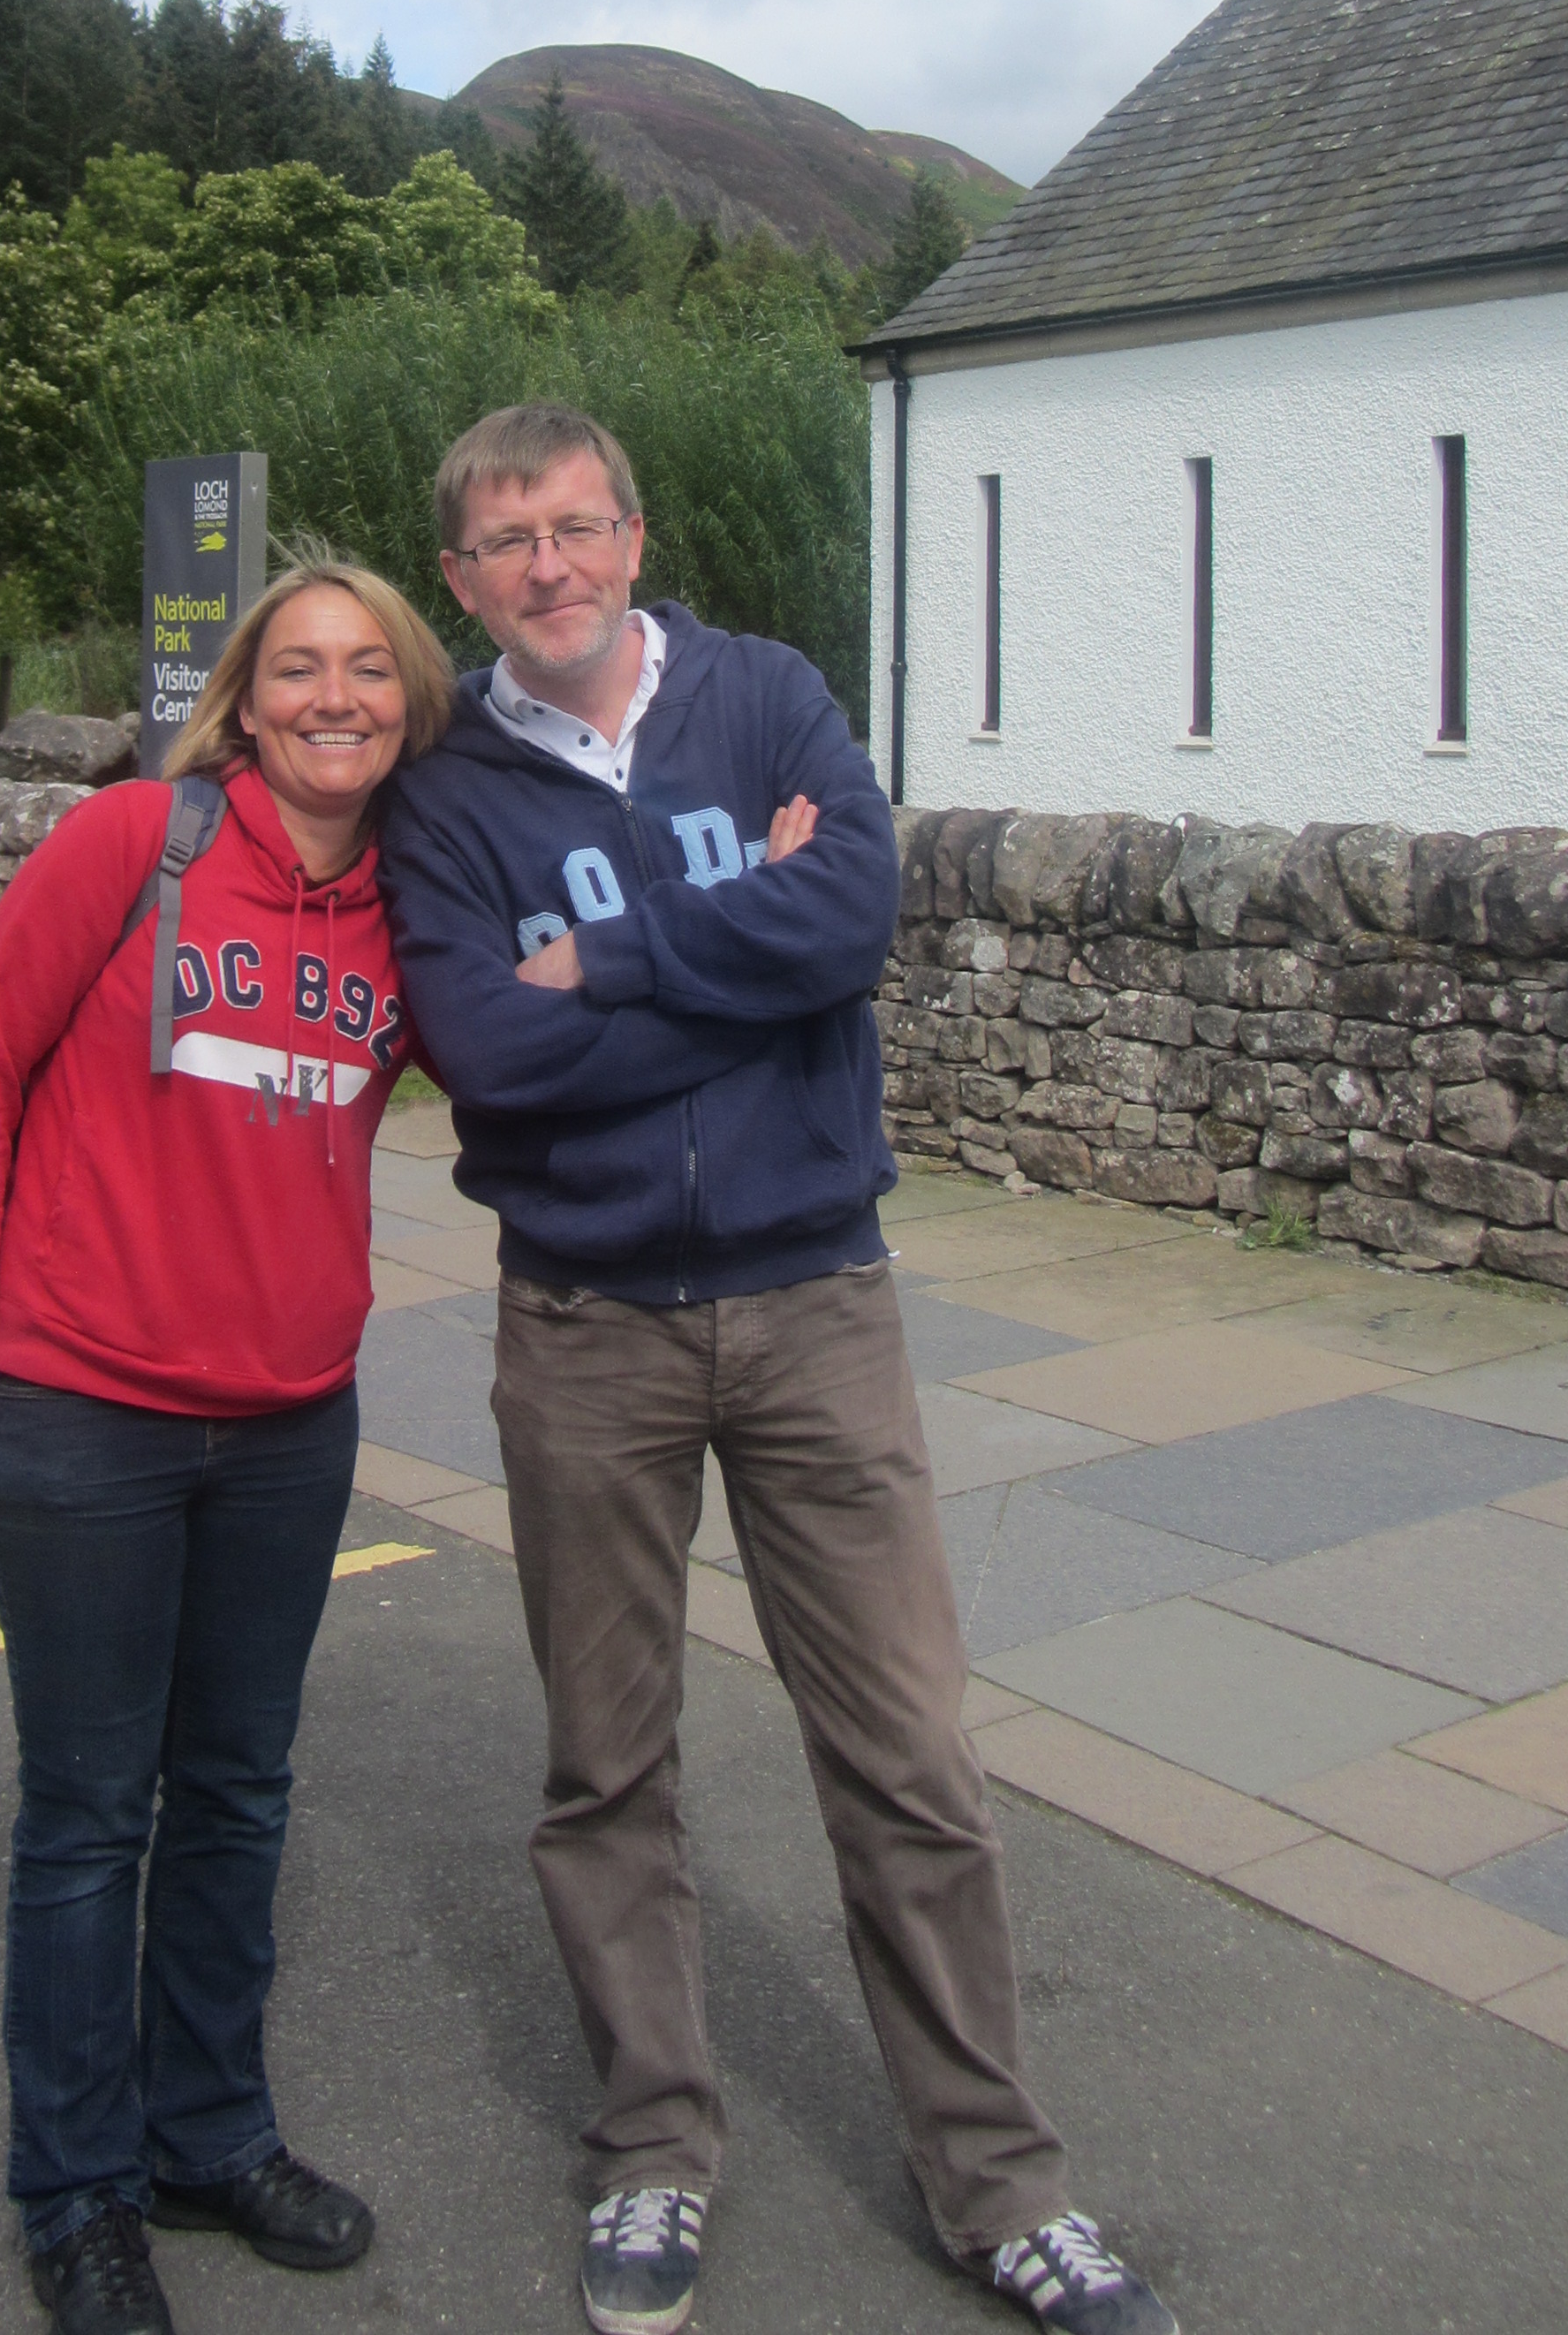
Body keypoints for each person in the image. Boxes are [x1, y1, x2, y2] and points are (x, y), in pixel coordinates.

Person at [378, 406, 1179, 2335]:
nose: (550, 567)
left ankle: (1000, 2184)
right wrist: (734, 959)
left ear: (633, 535)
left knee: (907, 1756)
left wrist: (609, 961)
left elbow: (850, 916)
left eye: (578, 526)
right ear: (460, 578)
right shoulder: (444, 785)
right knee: (607, 1764)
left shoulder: (765, 696)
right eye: (509, 542)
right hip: (584, 1324)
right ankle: (653, 2146)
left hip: (817, 1297)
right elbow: (487, 1051)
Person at [0, 559, 453, 2335]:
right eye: (298, 666)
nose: (334, 695)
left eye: (369, 668)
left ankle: (209, 2130)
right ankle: (77, 2192)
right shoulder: (133, 841)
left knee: (237, 1787)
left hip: (290, 1420)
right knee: (86, 1818)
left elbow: (528, 1057)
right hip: (82, 1410)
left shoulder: (409, 904)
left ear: (411, 701)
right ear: (245, 696)